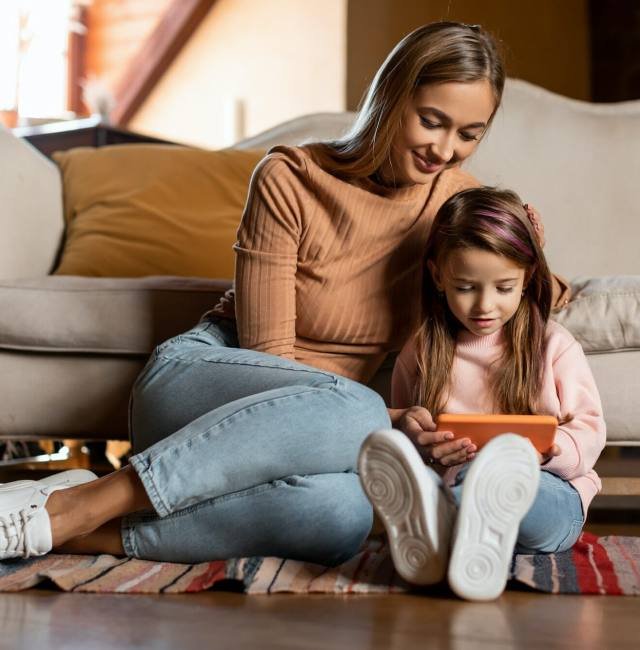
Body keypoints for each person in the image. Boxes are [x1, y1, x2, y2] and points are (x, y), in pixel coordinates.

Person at [0, 23, 567, 564]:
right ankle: (82, 505)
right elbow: (267, 355)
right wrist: (383, 420)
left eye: (469, 134)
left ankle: (79, 537)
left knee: (343, 514)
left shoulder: (455, 202)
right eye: (432, 121)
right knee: (361, 410)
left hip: (322, 433)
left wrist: (531, 246)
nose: (445, 149)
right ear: (393, 98)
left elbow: (525, 287)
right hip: (209, 383)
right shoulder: (290, 178)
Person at [358, 186, 605, 601]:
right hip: (454, 482)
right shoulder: (421, 352)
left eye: (503, 288)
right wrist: (421, 444)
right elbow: (411, 428)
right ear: (438, 277)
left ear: (527, 278)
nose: (484, 306)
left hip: (547, 492)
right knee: (461, 480)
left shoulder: (554, 345)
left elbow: (591, 431)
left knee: (496, 479)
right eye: (466, 287)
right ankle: (456, 528)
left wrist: (543, 451)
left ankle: (444, 530)